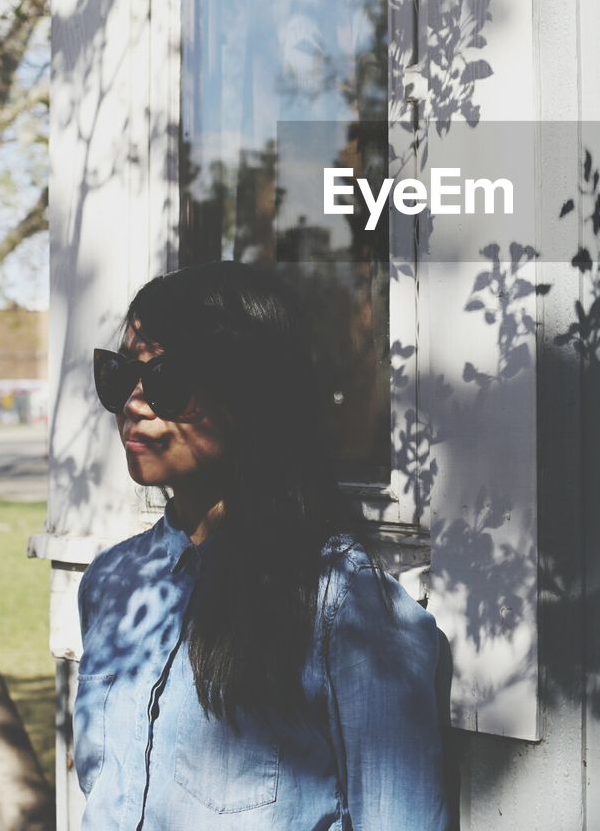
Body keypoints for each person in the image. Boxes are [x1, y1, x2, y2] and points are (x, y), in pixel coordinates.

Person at [74, 260, 451, 830]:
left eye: (168, 380)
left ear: (250, 395)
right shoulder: (110, 584)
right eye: (121, 375)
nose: (133, 402)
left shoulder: (344, 606)